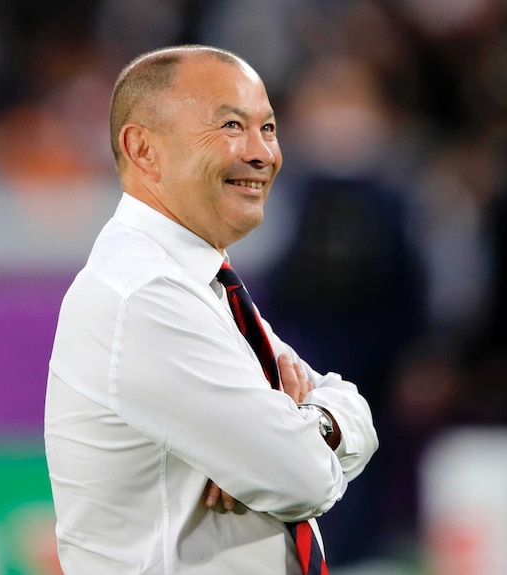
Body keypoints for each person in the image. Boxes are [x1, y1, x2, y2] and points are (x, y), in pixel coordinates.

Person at [44, 44, 378, 574]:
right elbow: (299, 478)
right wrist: (285, 443)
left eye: (268, 128)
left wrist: (304, 422)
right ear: (143, 150)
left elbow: (356, 416)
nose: (262, 153)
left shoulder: (198, 281)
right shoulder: (144, 294)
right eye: (230, 125)